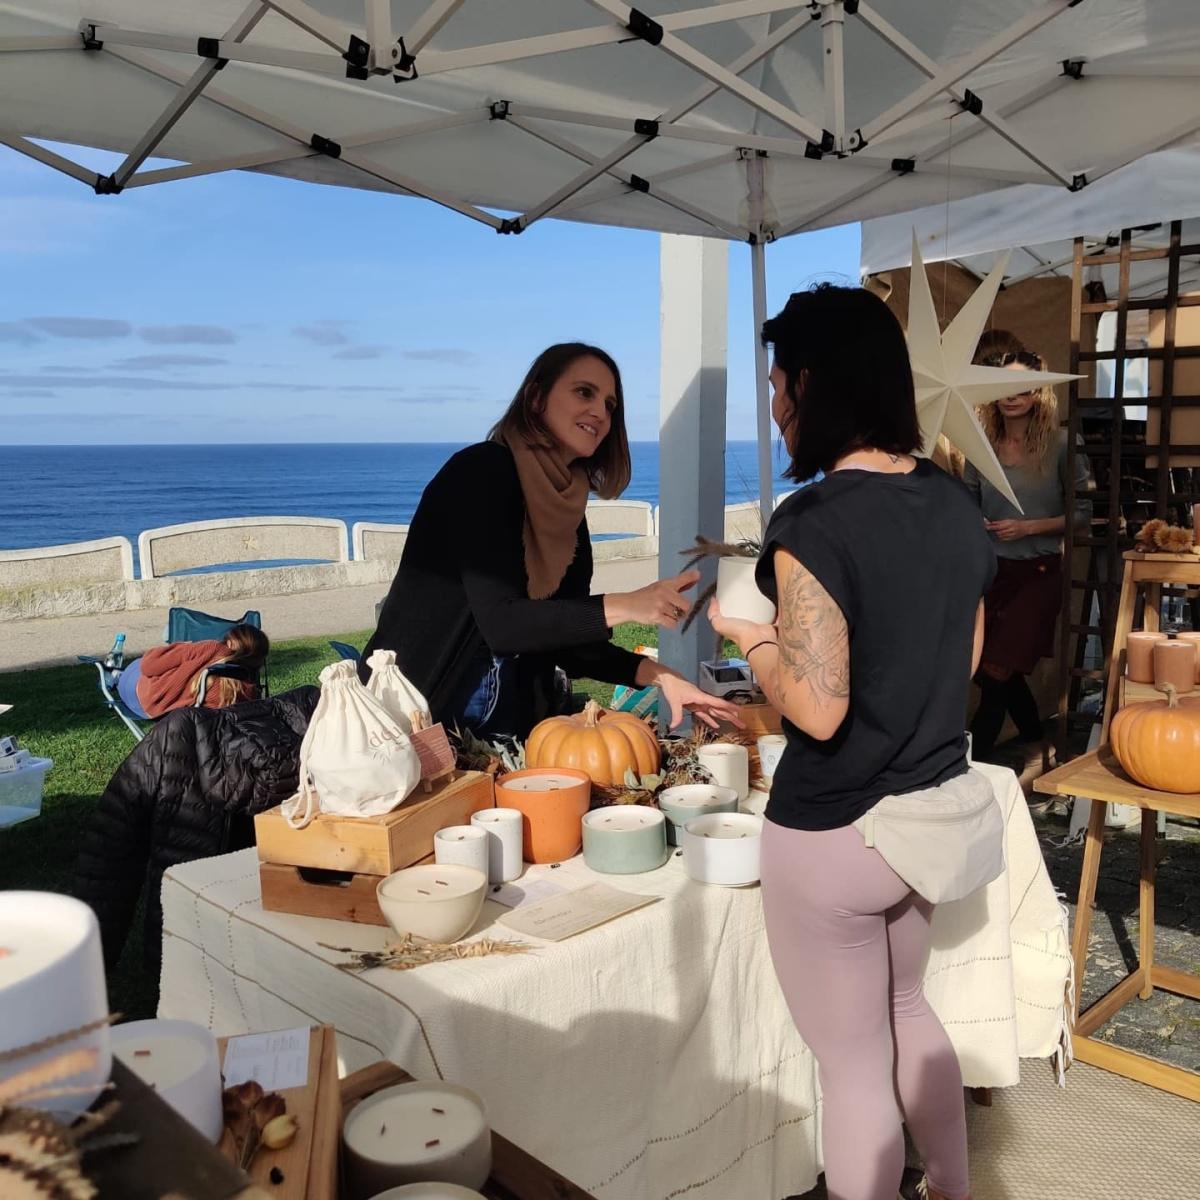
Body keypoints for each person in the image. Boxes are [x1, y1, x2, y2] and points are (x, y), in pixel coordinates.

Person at [710, 284, 995, 1200]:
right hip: (924, 821)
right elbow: (972, 655)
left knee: (853, 1064)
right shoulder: (955, 506)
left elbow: (818, 709)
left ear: (812, 384)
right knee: (912, 1009)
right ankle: (951, 1185)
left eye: (778, 381)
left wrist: (746, 636)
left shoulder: (815, 522)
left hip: (832, 834)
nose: (774, 401)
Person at [361, 342, 741, 740]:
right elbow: (504, 625)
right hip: (422, 719)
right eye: (584, 392)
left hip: (514, 728)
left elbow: (564, 641)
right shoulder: (480, 474)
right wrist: (627, 604)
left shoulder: (567, 510)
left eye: (610, 404)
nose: (600, 412)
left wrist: (661, 676)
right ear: (536, 397)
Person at [964, 347, 1092, 762]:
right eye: (1004, 386)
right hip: (989, 573)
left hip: (1038, 573)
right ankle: (1039, 741)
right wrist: (972, 524)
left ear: (1039, 391)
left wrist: (1029, 527)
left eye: (1022, 386)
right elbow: (966, 504)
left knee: (998, 669)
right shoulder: (978, 445)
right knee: (989, 669)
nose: (1012, 394)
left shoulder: (1061, 443)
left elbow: (1084, 511)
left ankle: (971, 763)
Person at [116, 624, 269, 719]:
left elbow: (148, 666)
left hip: (144, 699)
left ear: (229, 643)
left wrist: (182, 647)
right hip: (177, 718)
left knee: (139, 665)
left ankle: (116, 676)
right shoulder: (250, 694)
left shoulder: (214, 648)